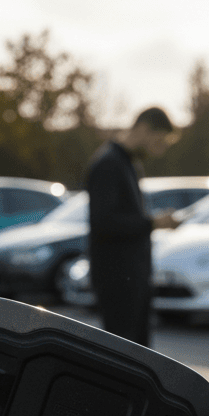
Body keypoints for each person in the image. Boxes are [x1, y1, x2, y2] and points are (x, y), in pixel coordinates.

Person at [85, 107, 177, 346]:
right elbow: (104, 222)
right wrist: (153, 222)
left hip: (131, 279)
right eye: (159, 141)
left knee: (138, 355)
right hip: (118, 281)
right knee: (125, 357)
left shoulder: (126, 162)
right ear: (144, 129)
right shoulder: (109, 163)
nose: (161, 149)